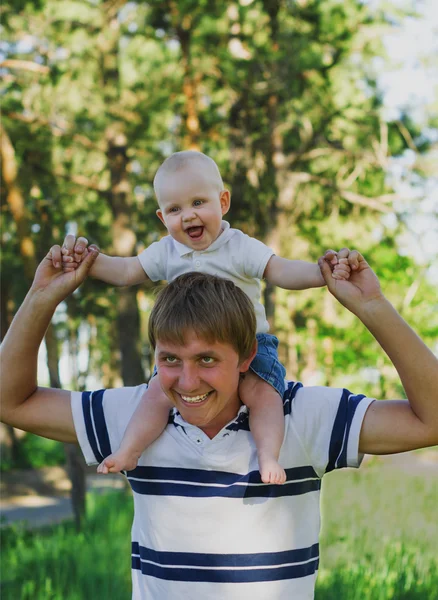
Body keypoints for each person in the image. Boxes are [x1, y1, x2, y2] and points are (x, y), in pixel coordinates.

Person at [1, 243, 437, 600]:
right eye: (169, 359)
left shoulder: (301, 415)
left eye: (206, 359)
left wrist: (373, 306)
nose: (186, 381)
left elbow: (430, 421)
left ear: (247, 357)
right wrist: (42, 298)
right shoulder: (134, 415)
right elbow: (11, 401)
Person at [60, 150, 350, 484]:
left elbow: (281, 271)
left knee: (263, 395)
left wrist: (322, 273)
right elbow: (126, 271)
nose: (187, 216)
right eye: (174, 209)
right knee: (156, 394)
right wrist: (88, 261)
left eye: (198, 203)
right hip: (191, 349)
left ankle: (269, 455)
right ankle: (130, 449)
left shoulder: (238, 246)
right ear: (162, 217)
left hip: (249, 343)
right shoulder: (167, 250)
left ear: (223, 202)